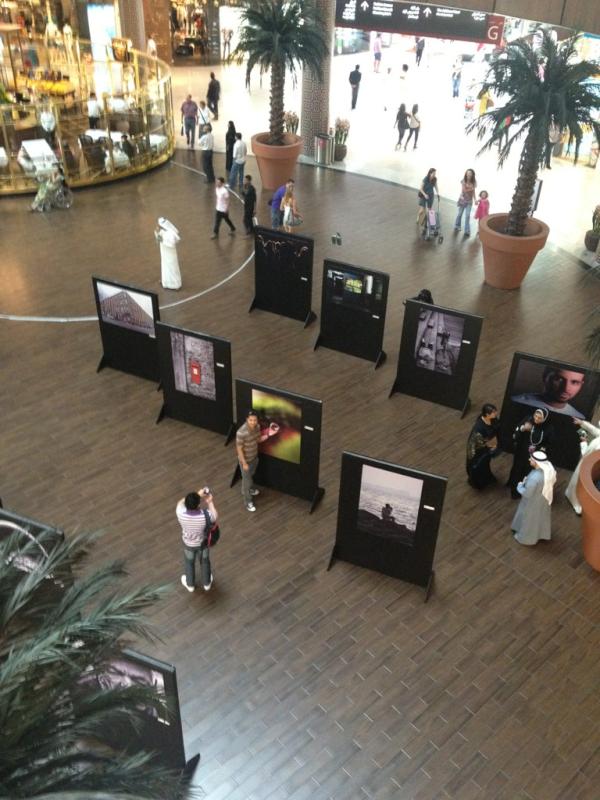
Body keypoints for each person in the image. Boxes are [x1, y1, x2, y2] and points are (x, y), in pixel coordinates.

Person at [235, 409, 280, 512]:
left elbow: (258, 440)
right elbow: (239, 449)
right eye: (250, 420)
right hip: (245, 461)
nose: (253, 422)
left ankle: (248, 489)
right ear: (247, 420)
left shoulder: (257, 427)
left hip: (254, 458)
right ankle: (248, 502)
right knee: (247, 481)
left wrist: (269, 434)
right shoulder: (241, 432)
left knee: (250, 476)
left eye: (254, 420)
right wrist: (244, 463)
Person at [177, 486, 217, 591]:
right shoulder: (206, 515)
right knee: (205, 562)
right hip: (203, 544)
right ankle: (207, 583)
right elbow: (215, 516)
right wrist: (210, 502)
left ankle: (190, 585)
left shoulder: (180, 513)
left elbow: (179, 503)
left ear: (186, 504)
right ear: (199, 504)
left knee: (189, 563)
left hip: (188, 545)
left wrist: (197, 494)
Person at [511, 451, 556, 546]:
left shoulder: (535, 478)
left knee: (529, 520)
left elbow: (527, 493)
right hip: (542, 500)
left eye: (531, 459)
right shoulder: (548, 471)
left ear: (536, 462)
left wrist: (520, 486)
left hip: (533, 502)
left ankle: (526, 538)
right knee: (540, 518)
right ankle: (541, 534)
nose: (529, 459)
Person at [507, 408, 553, 498]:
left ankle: (522, 489)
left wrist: (538, 449)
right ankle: (513, 489)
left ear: (545, 419)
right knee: (517, 469)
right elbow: (516, 433)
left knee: (526, 472)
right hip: (521, 451)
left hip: (534, 456)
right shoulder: (528, 420)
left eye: (540, 418)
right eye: (535, 416)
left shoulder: (548, 428)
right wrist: (523, 428)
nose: (536, 419)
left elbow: (549, 444)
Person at [511, 366, 586, 419]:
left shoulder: (579, 418)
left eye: (574, 382)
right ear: (545, 377)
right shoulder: (516, 402)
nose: (566, 388)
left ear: (581, 385)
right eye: (559, 379)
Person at [565, 418, 600, 514]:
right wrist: (582, 423)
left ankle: (578, 505)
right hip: (587, 466)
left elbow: (589, 456)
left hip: (589, 468)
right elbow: (595, 430)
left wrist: (584, 442)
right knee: (576, 481)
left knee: (582, 485)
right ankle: (571, 494)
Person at [466, 404, 500, 489]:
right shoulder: (479, 428)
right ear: (487, 415)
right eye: (494, 412)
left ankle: (487, 478)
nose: (496, 413)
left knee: (485, 464)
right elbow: (476, 443)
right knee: (479, 466)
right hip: (477, 451)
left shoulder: (493, 419)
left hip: (484, 447)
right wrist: (491, 446)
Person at [155, 217, 182, 289]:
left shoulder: (171, 233)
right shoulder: (162, 232)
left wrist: (161, 239)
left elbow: (172, 243)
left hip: (170, 254)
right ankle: (165, 282)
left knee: (172, 268)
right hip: (164, 253)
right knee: (165, 267)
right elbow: (158, 241)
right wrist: (158, 235)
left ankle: (176, 285)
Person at [454, 169, 477, 237]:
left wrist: (475, 199)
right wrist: (472, 188)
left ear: (472, 174)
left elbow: (473, 192)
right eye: (467, 173)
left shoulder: (474, 182)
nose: (469, 174)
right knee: (460, 214)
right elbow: (464, 190)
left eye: (470, 173)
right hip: (463, 199)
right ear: (466, 174)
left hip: (469, 201)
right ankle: (457, 226)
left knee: (467, 215)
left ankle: (467, 231)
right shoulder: (463, 180)